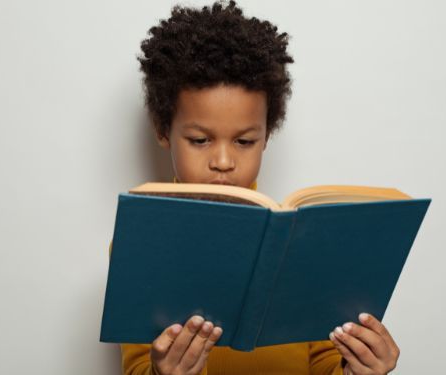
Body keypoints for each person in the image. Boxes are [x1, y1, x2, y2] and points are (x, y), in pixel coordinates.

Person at [114, 1, 400, 374]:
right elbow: (137, 367)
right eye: (200, 140)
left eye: (244, 141)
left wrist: (359, 368)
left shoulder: (299, 242)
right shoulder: (142, 239)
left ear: (267, 135)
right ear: (163, 129)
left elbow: (325, 361)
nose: (223, 161)